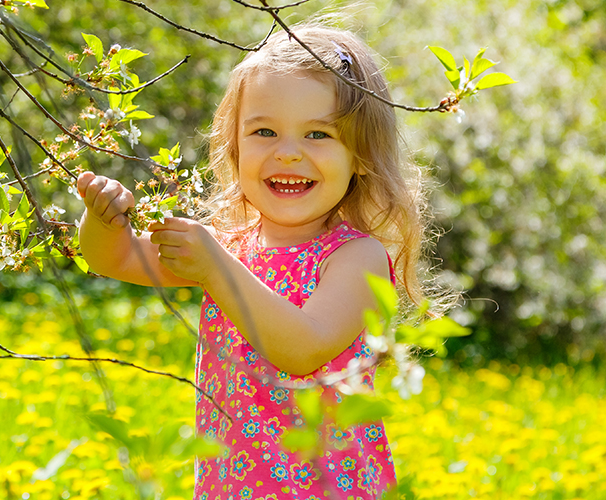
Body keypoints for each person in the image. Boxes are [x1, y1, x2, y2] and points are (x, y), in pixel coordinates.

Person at [77, 23, 434, 499]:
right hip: (231, 487)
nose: (288, 153)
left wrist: (215, 267)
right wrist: (104, 220)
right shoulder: (228, 246)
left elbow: (303, 348)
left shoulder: (355, 257)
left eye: (318, 134)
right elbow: (118, 259)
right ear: (236, 146)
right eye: (264, 131)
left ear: (361, 156)